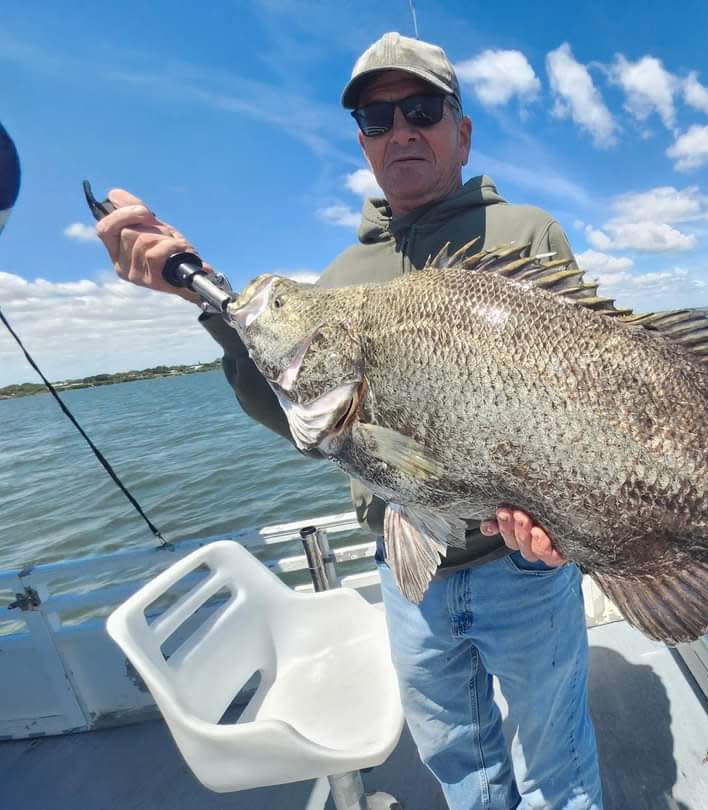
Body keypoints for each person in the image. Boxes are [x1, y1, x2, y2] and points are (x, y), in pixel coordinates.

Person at [96, 31, 603, 810]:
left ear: (461, 131)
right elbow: (304, 417)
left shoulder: (524, 234)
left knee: (555, 763)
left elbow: (576, 391)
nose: (401, 128)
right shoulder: (338, 279)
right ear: (363, 145)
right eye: (376, 117)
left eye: (423, 109)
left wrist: (572, 511)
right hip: (406, 575)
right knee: (460, 764)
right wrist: (201, 302)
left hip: (520, 568)